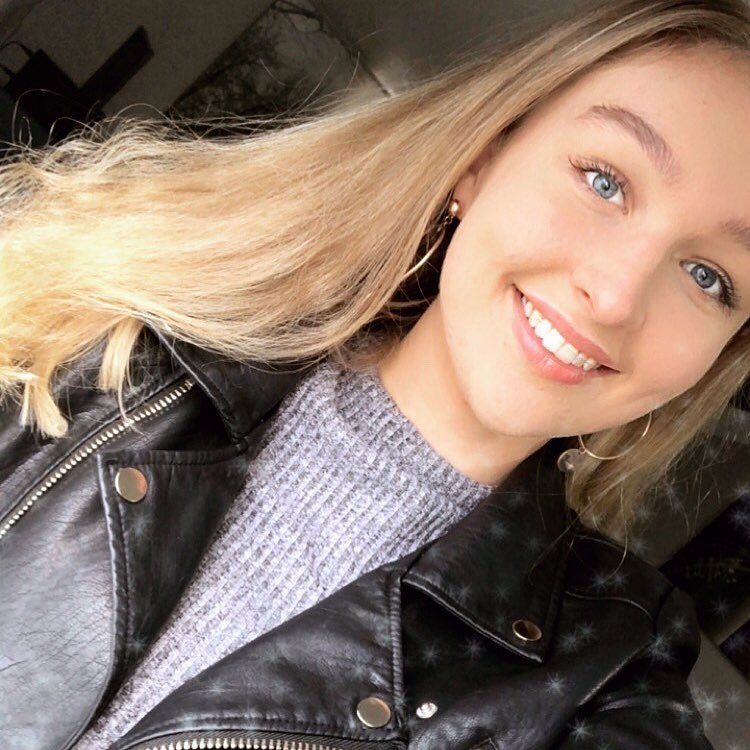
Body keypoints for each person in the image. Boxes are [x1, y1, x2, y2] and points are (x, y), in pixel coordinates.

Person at [0, 0, 747, 747]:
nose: (616, 297)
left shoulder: (604, 687)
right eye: (604, 181)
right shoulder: (118, 338)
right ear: (481, 159)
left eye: (709, 277)